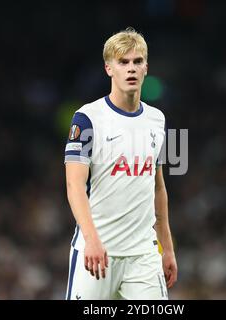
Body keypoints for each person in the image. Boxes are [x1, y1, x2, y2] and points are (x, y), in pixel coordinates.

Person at [64, 27, 177, 300]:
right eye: (123, 62)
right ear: (108, 69)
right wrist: (91, 240)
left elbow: (158, 188)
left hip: (143, 255)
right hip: (98, 250)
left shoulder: (157, 120)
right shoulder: (87, 118)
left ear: (146, 68)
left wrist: (167, 246)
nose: (131, 68)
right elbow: (74, 184)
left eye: (137, 62)